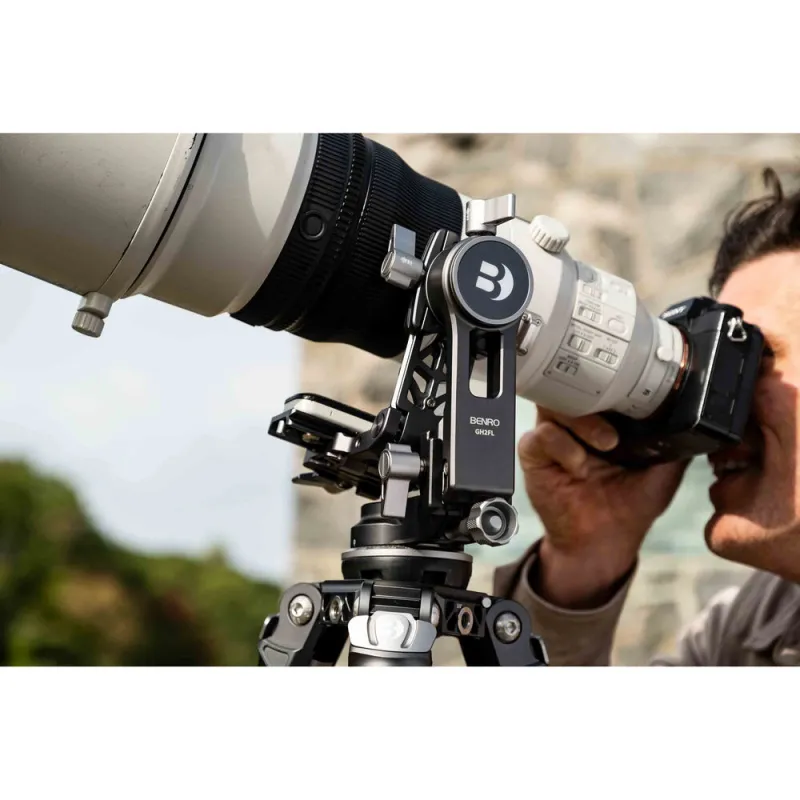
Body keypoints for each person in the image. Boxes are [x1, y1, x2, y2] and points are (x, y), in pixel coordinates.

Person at [494, 167, 800, 666]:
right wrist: (581, 565)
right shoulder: (742, 635)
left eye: (750, 356)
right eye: (718, 358)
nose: (717, 400)